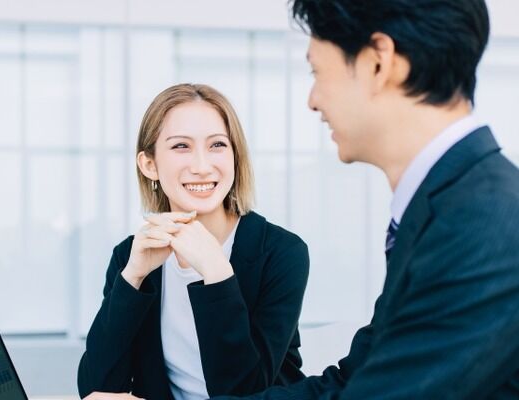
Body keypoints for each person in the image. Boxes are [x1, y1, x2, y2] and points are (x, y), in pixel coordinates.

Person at [213, 0, 519, 399]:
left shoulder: (485, 222)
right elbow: (351, 383)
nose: (313, 100)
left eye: (318, 72)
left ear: (379, 63)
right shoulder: (444, 206)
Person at [77, 83, 310, 400]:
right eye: (181, 146)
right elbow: (96, 389)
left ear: (234, 156)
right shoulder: (130, 256)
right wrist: (132, 279)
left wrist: (217, 273)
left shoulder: (281, 253)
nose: (202, 166)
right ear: (150, 165)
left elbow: (247, 393)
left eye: (217, 145)